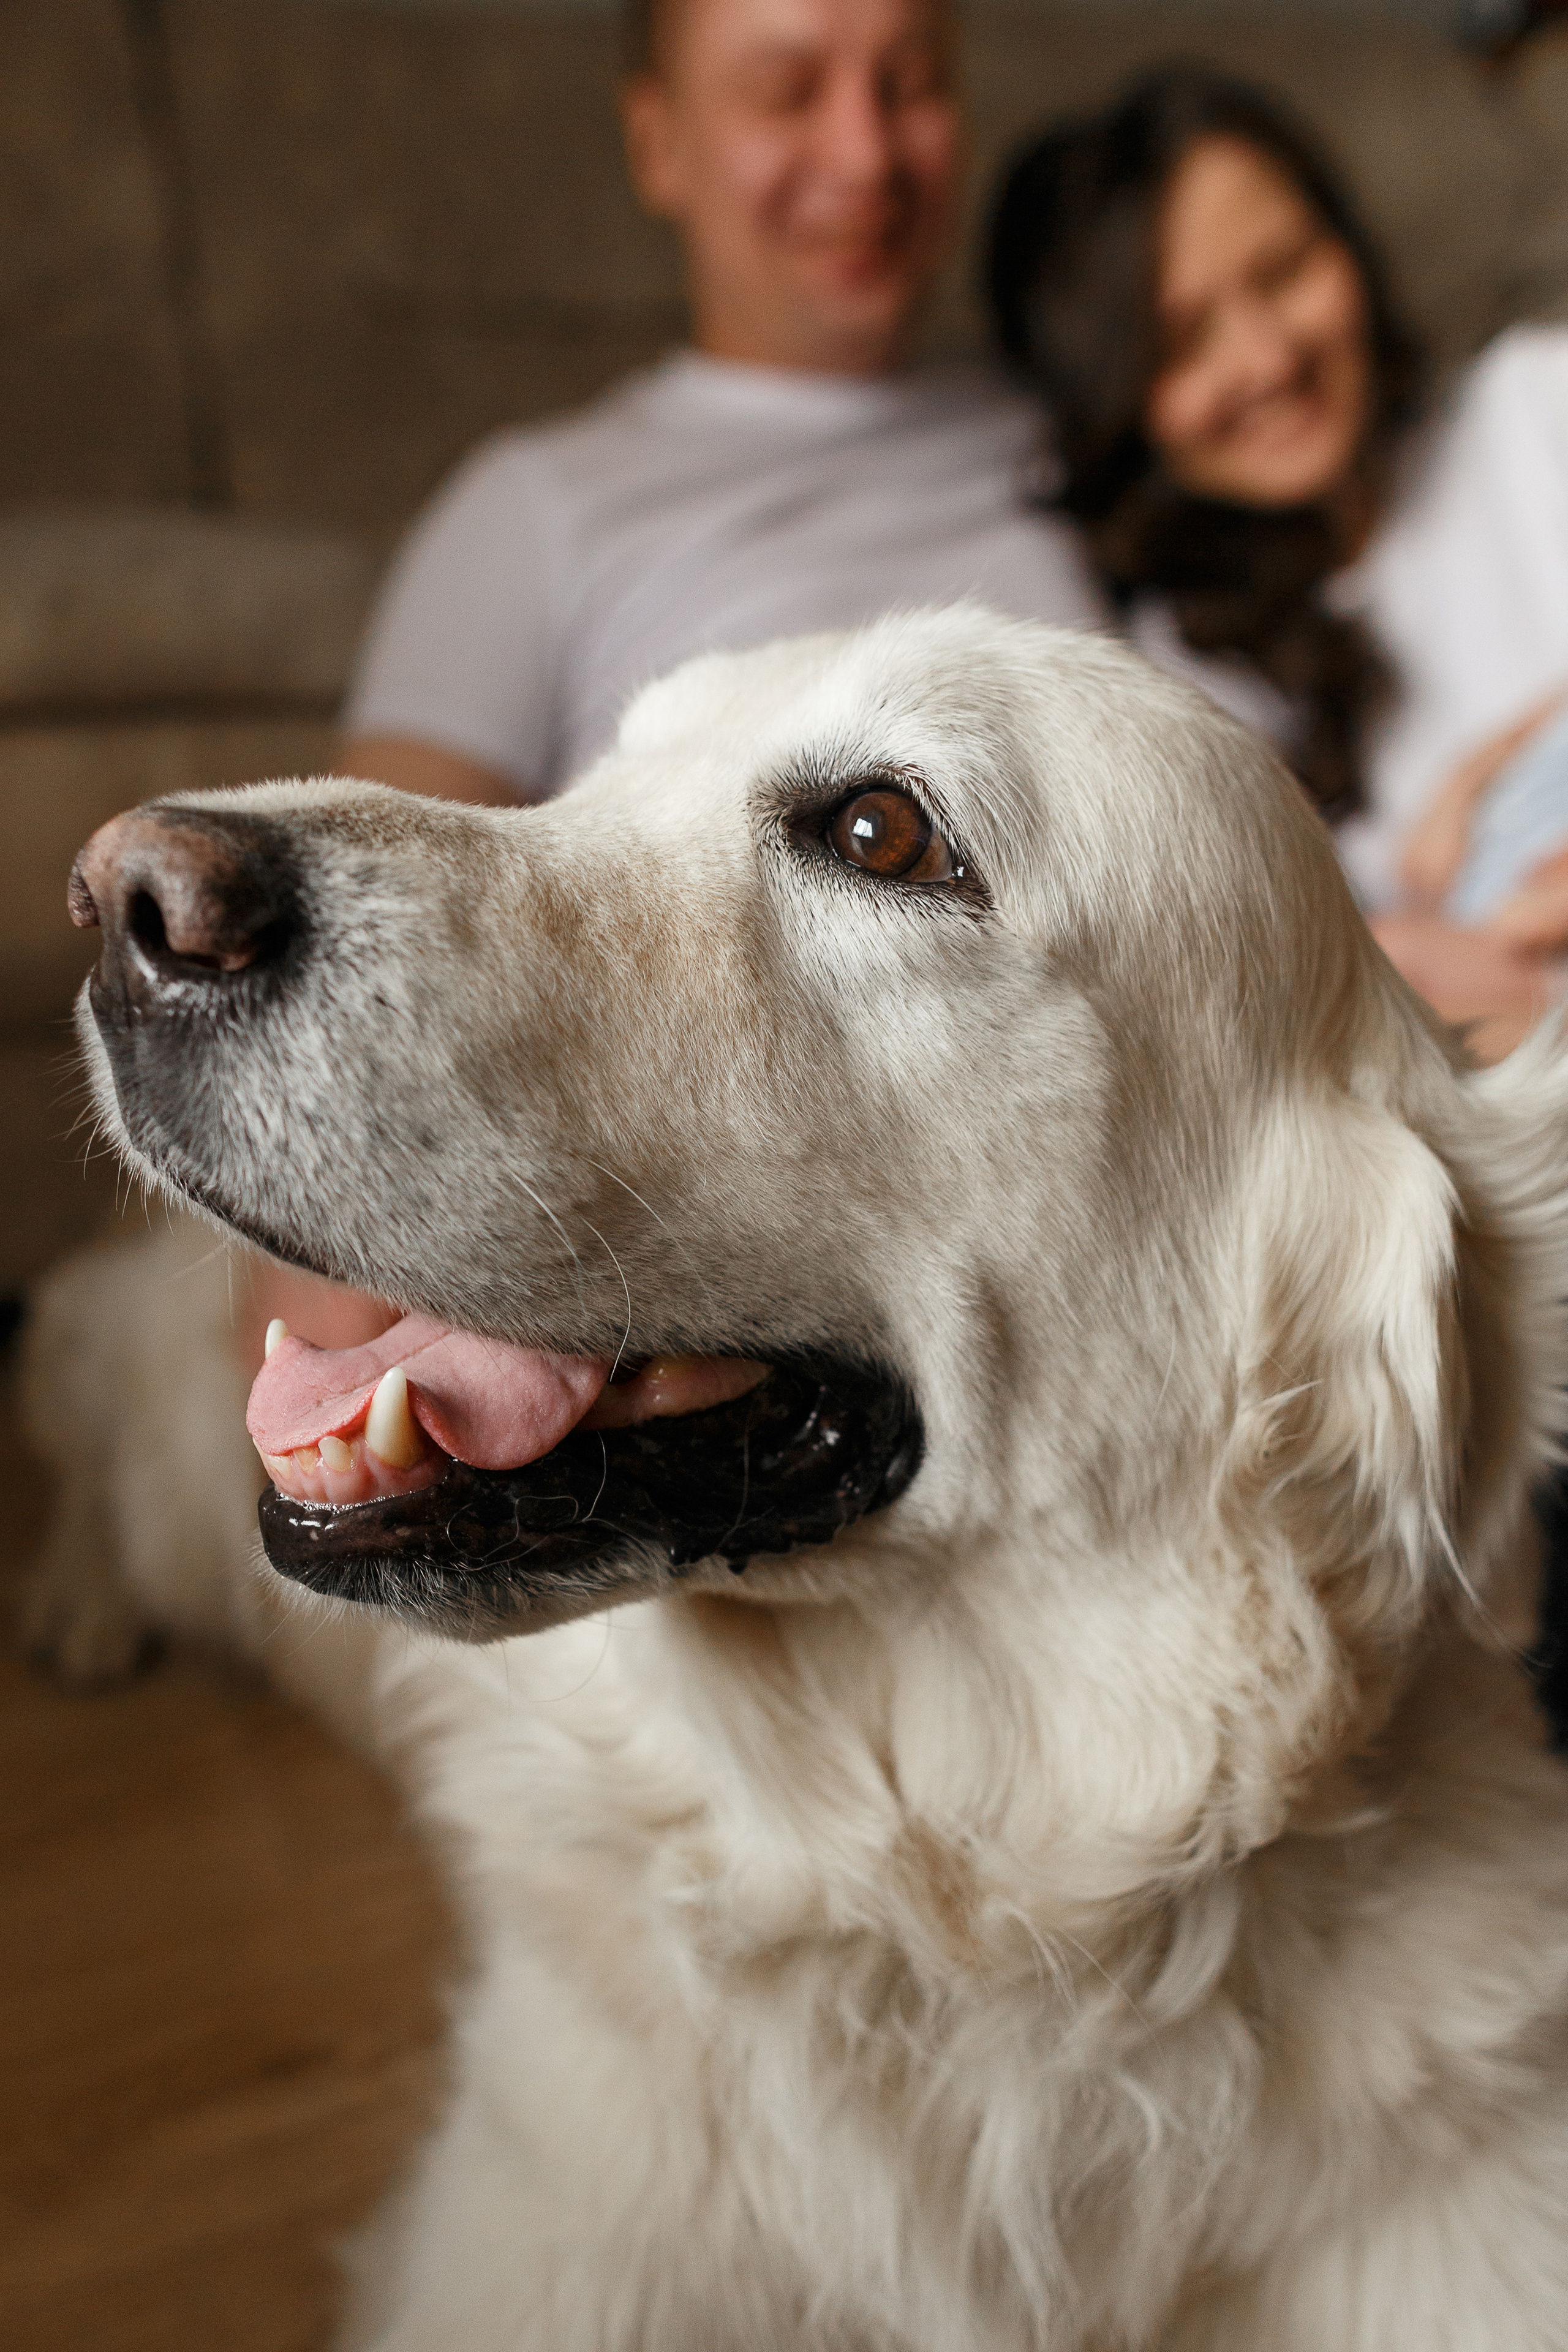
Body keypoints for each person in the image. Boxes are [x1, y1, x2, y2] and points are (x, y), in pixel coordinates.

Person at [254, 0, 1107, 1360]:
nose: (864, 153)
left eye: (908, 84)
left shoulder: (1094, 437)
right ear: (659, 144)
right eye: (785, 91)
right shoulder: (533, 509)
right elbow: (321, 1004)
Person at [986, 63, 1568, 1064]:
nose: (1266, 358)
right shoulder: (1180, 683)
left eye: (1286, 271)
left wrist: (1482, 779)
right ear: (1116, 406)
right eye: (1185, 341)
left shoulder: (1534, 407)